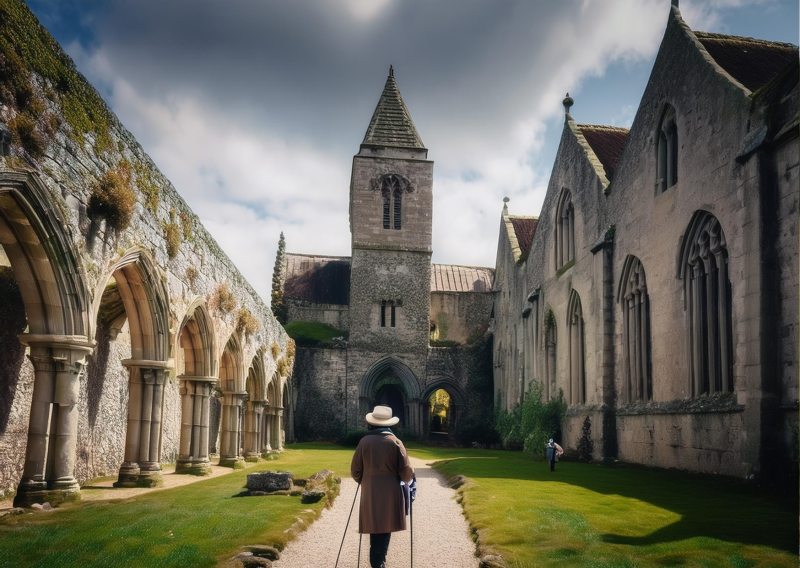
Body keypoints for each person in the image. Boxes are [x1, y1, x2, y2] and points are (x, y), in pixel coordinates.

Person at [351, 406, 414, 568]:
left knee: (374, 526)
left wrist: (367, 481)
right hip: (390, 492)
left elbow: (355, 471)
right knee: (385, 526)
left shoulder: (364, 442)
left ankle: (376, 561)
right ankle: (379, 561)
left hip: (370, 492)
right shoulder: (395, 442)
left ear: (372, 423)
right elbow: (406, 473)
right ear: (389, 424)